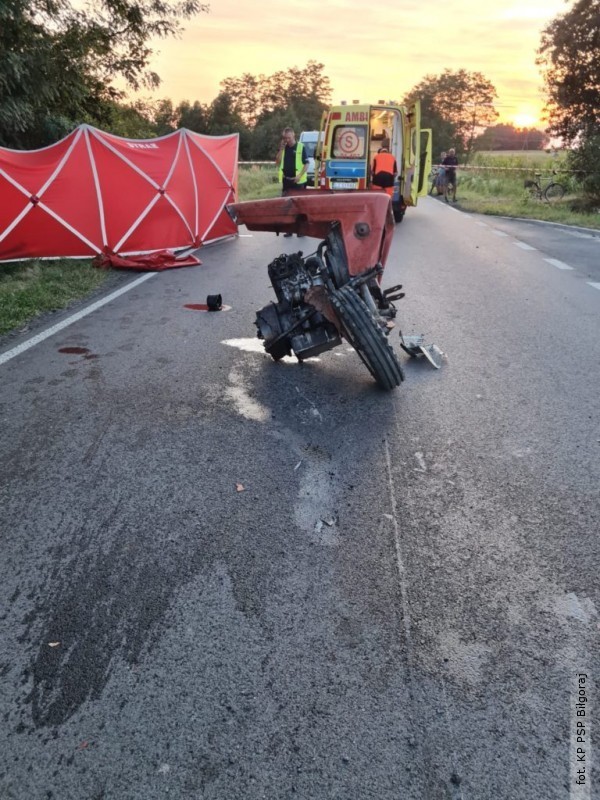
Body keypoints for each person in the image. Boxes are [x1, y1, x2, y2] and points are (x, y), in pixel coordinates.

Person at [275, 127, 309, 235]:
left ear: (293, 135)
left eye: (289, 138)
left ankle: (301, 229)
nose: (287, 140)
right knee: (287, 206)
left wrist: (299, 175)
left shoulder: (301, 147)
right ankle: (289, 229)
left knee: (299, 206)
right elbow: (277, 162)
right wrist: (280, 149)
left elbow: (306, 163)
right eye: (285, 138)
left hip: (298, 181)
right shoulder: (283, 148)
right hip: (287, 181)